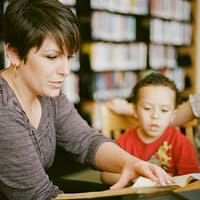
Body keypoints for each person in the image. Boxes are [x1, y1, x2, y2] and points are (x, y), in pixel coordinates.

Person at [0, 0, 173, 199]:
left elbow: (87, 142)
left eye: (69, 57)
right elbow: (39, 195)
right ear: (14, 54)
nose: (65, 71)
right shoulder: (4, 111)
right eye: (52, 57)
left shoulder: (49, 95)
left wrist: (131, 163)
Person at [101, 73, 199, 185]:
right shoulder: (125, 141)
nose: (155, 116)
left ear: (173, 115)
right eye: (147, 108)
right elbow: (106, 175)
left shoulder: (181, 143)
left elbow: (191, 179)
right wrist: (139, 178)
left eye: (164, 110)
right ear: (135, 111)